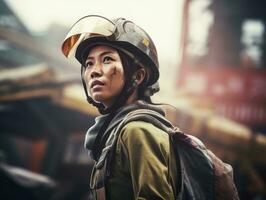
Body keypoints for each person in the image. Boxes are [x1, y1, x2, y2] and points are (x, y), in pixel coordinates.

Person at [61, 15, 238, 200]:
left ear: (137, 76)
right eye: (89, 63)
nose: (95, 71)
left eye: (107, 60)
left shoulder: (137, 131)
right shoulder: (113, 134)